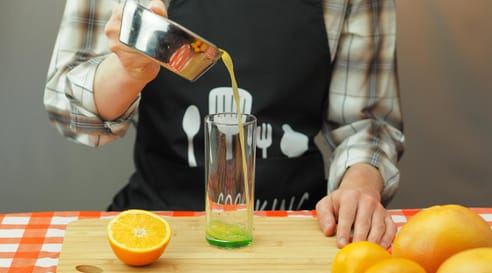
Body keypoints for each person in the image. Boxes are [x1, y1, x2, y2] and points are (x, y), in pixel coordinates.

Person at [44, 0, 405, 248]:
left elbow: (367, 123)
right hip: (159, 229)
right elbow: (71, 110)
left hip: (299, 231)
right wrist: (127, 71)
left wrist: (361, 185)